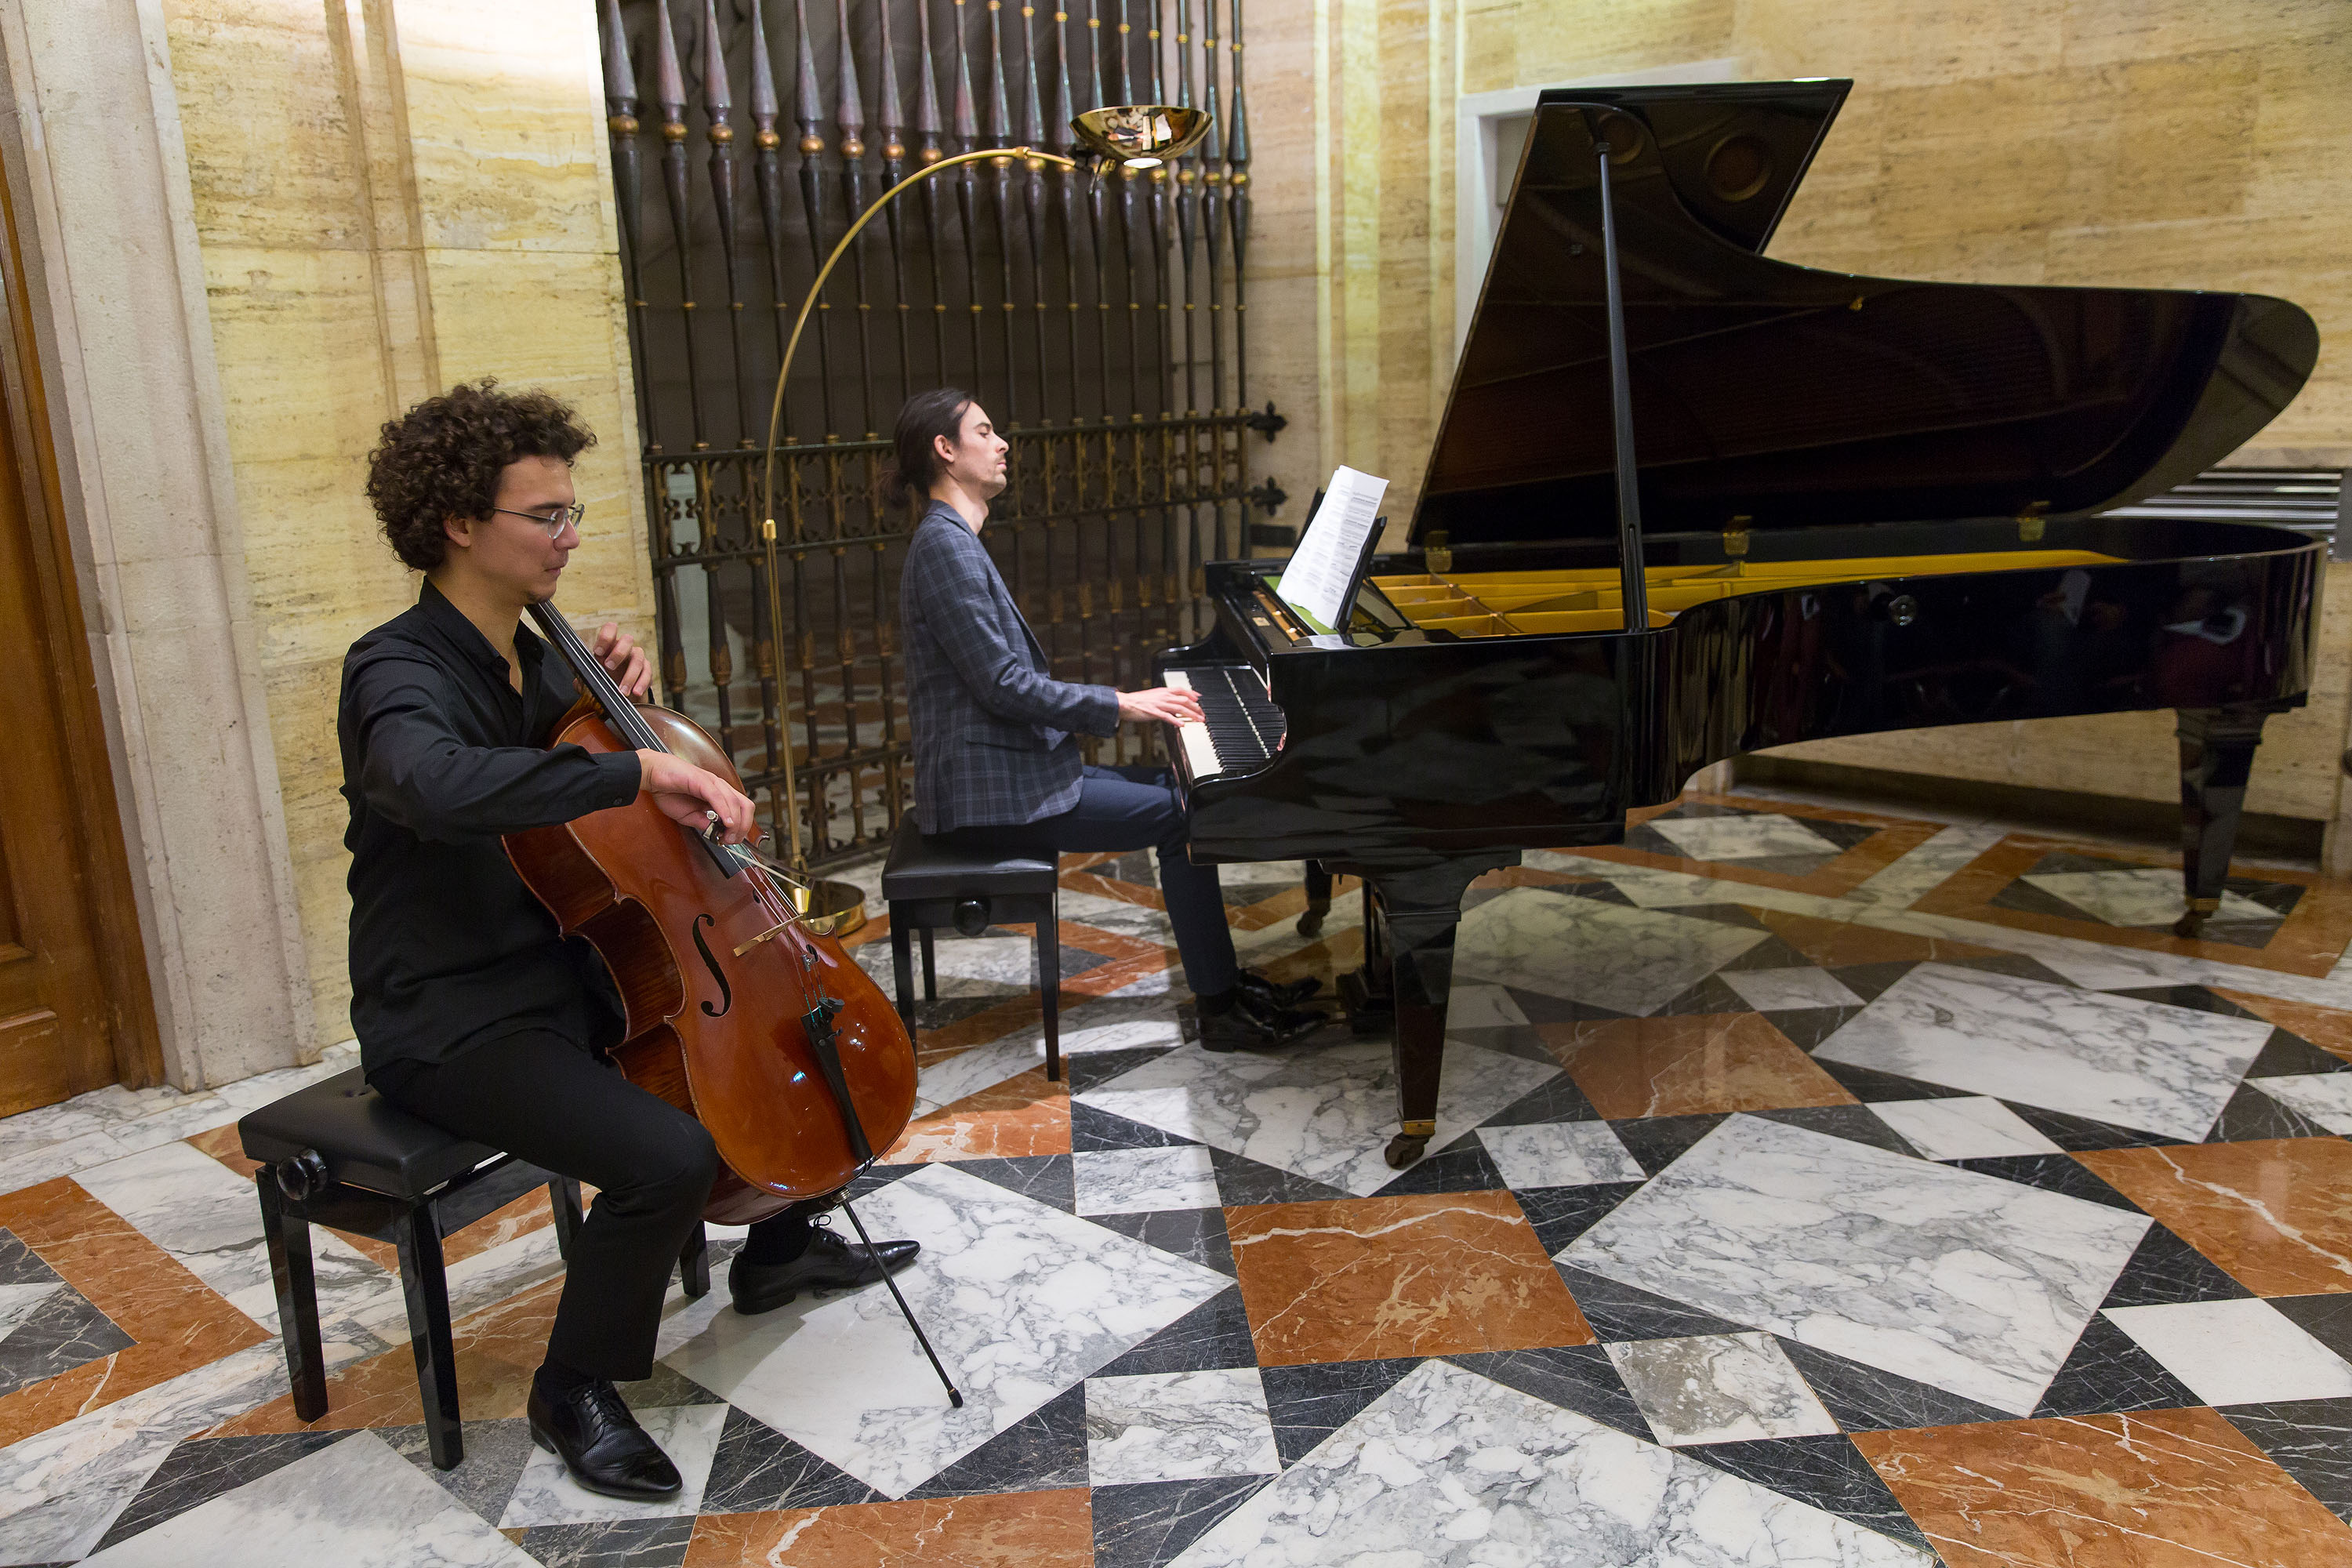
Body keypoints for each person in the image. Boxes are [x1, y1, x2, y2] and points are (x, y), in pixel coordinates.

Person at [340, 381, 916, 1501]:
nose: (567, 536)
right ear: (458, 524)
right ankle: (574, 1386)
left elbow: (620, 835)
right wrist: (630, 764)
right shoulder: (395, 669)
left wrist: (621, 705)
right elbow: (433, 782)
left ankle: (780, 1247)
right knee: (669, 1154)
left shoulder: (548, 661)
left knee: (784, 1040)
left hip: (581, 971)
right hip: (454, 1014)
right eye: (544, 516)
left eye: (571, 513)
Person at [891, 387, 1323, 1051]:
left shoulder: (952, 540)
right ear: (944, 450)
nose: (1002, 444)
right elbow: (1003, 686)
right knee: (1184, 814)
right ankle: (1221, 1008)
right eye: (985, 431)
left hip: (1006, 771)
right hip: (986, 793)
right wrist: (1123, 703)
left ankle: (1230, 987)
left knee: (1182, 791)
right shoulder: (943, 547)